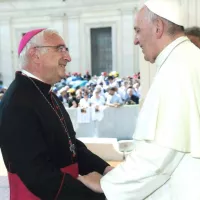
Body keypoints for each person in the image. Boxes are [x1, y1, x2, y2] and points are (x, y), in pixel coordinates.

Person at [100, 0, 200, 199]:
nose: (135, 40)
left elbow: (158, 157)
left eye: (137, 30)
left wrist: (106, 184)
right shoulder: (189, 58)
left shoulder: (175, 69)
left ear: (158, 28)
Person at [0, 28, 112, 200]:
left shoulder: (46, 94)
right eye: (60, 49)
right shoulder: (17, 103)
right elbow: (39, 176)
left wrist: (105, 169)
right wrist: (93, 194)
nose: (68, 57)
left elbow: (71, 146)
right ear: (35, 54)